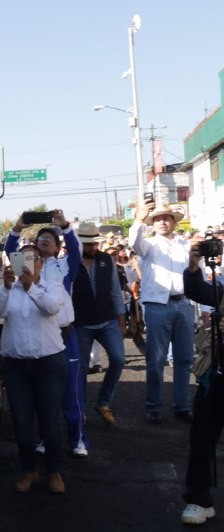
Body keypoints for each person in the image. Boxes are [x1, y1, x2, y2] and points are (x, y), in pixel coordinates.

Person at [4, 212, 87, 457]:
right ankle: (42, 440)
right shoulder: (25, 265)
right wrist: (18, 228)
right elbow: (11, 250)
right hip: (37, 334)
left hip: (64, 334)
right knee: (42, 395)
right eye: (41, 238)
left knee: (71, 392)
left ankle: (77, 440)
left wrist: (64, 226)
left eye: (51, 239)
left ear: (58, 246)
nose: (45, 241)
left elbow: (75, 248)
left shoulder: (65, 266)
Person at [0, 245, 68, 494]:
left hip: (49, 363)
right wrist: (6, 287)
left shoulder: (52, 286)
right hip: (16, 366)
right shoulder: (9, 289)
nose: (27, 263)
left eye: (32, 259)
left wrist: (30, 286)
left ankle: (54, 471)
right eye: (22, 258)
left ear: (40, 265)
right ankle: (29, 470)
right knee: (22, 420)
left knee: (49, 419)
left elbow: (51, 308)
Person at [129, 201, 194, 423]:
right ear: (152, 224)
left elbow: (199, 274)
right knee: (156, 359)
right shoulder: (148, 245)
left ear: (174, 222)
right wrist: (139, 219)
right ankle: (154, 407)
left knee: (184, 359)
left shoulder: (185, 244)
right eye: (157, 219)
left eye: (166, 218)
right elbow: (134, 242)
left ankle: (182, 406)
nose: (163, 222)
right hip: (157, 306)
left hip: (184, 303)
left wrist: (204, 307)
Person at [179, 239, 224, 525]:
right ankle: (199, 499)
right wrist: (194, 266)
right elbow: (199, 290)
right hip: (217, 370)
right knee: (202, 434)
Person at [72, 222, 126, 427]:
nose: (93, 247)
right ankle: (79, 408)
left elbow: (115, 292)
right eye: (88, 244)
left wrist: (121, 323)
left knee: (119, 360)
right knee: (81, 368)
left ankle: (104, 403)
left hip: (108, 320)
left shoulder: (106, 260)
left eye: (95, 243)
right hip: (81, 323)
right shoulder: (70, 262)